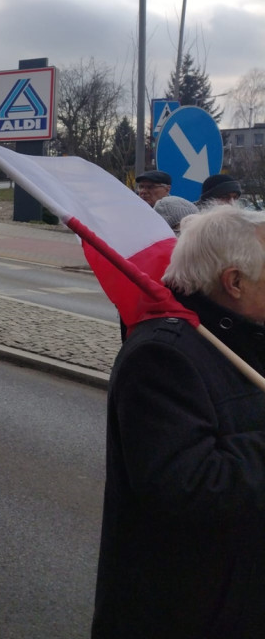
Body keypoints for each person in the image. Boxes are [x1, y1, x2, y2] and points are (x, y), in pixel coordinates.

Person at [92, 204, 265, 637]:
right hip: (191, 610)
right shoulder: (162, 356)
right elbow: (191, 485)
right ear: (235, 282)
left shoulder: (247, 334)